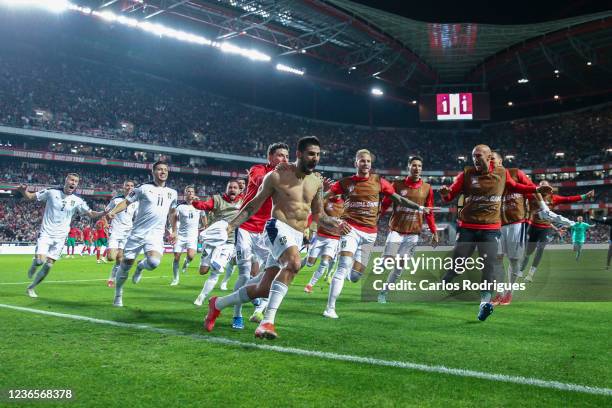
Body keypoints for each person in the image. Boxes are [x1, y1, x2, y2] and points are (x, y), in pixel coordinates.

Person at [203, 136, 346, 339]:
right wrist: (231, 225)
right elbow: (253, 204)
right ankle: (267, 322)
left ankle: (217, 304)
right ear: (299, 154)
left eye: (318, 154)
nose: (315, 158)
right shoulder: (277, 176)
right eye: (311, 154)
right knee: (294, 263)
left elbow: (319, 216)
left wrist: (336, 223)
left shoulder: (317, 183)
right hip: (276, 226)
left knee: (263, 288)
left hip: (296, 235)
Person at [439, 144, 550, 321]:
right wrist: (445, 193)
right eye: (473, 156)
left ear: (489, 157)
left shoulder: (501, 173)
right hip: (468, 225)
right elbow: (450, 195)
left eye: (479, 156)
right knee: (458, 262)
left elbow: (516, 187)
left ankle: (485, 304)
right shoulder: (466, 174)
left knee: (489, 265)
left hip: (490, 228)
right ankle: (450, 275)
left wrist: (535, 189)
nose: (475, 159)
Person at [323, 149, 437, 319]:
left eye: (368, 161)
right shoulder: (345, 182)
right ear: (356, 163)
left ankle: (354, 272)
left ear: (371, 164)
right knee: (343, 265)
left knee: (354, 276)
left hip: (370, 234)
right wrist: (335, 220)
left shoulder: (379, 182)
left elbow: (398, 199)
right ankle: (330, 308)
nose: (365, 164)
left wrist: (420, 208)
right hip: (350, 229)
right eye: (362, 161)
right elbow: (322, 200)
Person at [227, 143, 289, 329]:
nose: (284, 159)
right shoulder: (258, 169)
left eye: (286, 156)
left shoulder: (287, 176)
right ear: (270, 157)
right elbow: (260, 181)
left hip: (266, 230)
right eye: (279, 155)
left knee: (272, 272)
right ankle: (236, 315)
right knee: (244, 273)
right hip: (245, 226)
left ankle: (258, 303)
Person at [16, 173, 106, 298]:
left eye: (76, 181)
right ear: (66, 181)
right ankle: (34, 263)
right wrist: (22, 191)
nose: (73, 183)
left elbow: (91, 214)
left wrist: (103, 212)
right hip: (46, 233)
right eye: (71, 180)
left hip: (61, 237)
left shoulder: (78, 201)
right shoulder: (51, 192)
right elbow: (31, 197)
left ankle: (31, 288)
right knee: (40, 261)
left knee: (48, 265)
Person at [106, 161, 178, 307]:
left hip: (155, 235)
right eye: (159, 169)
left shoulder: (173, 193)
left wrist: (174, 230)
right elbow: (126, 202)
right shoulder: (143, 188)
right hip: (137, 233)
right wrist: (112, 212)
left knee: (153, 263)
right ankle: (118, 294)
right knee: (125, 266)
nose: (163, 172)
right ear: (153, 172)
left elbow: (172, 212)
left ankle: (140, 267)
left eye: (165, 170)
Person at [377, 156, 438, 304]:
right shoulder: (397, 185)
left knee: (399, 267)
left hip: (413, 234)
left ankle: (383, 293)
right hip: (396, 230)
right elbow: (385, 204)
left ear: (421, 169)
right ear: (408, 167)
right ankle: (383, 260)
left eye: (419, 166)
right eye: (414, 165)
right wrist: (376, 217)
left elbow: (429, 212)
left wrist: (434, 231)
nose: (417, 168)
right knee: (388, 262)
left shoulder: (427, 188)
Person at [520, 185, 594, 282]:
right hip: (533, 226)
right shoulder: (532, 195)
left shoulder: (554, 199)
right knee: (529, 251)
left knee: (540, 249)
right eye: (540, 186)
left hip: (545, 227)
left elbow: (568, 199)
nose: (542, 188)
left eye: (544, 186)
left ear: (549, 190)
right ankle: (521, 269)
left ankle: (530, 274)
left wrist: (585, 196)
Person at [192, 180, 243, 306]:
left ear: (239, 190)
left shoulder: (244, 202)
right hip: (213, 239)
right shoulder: (217, 199)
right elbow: (204, 206)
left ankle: (201, 297)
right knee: (203, 271)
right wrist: (196, 202)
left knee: (216, 270)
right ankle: (214, 263)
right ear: (226, 189)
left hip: (229, 242)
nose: (232, 189)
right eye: (230, 187)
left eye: (235, 187)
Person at [303, 195, 344, 293]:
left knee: (325, 262)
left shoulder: (345, 204)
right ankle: (304, 260)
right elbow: (314, 213)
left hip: (334, 239)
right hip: (320, 236)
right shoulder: (325, 201)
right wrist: (306, 227)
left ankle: (310, 285)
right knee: (309, 264)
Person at [105, 180, 139, 288]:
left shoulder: (136, 202)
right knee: (111, 257)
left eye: (132, 186)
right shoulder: (116, 200)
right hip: (115, 231)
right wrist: (106, 222)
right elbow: (107, 212)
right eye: (127, 185)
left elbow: (137, 218)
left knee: (120, 259)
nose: (129, 187)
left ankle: (112, 278)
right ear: (123, 187)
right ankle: (111, 254)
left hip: (127, 232)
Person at [170, 186, 206, 286]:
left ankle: (186, 263)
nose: (190, 193)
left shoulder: (199, 205)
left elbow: (203, 216)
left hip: (192, 236)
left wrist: (205, 226)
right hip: (180, 236)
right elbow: (174, 218)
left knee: (191, 256)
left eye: (192, 192)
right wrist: (174, 231)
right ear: (185, 194)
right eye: (188, 192)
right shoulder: (180, 206)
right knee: (176, 257)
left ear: (194, 194)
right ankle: (175, 279)